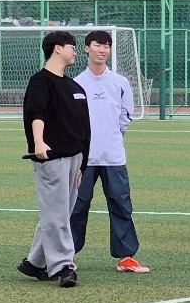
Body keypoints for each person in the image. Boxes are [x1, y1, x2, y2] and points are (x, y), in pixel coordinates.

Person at [69, 30, 149, 274]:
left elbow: (126, 116)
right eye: (97, 45)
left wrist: (114, 138)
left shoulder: (120, 82)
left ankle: (126, 257)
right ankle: (68, 254)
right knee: (77, 207)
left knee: (121, 204)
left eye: (106, 46)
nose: (102, 50)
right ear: (87, 48)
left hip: (114, 157)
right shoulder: (76, 83)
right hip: (83, 158)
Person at [17, 31, 89, 288]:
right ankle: (63, 265)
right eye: (72, 46)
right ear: (57, 48)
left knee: (59, 213)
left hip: (75, 158)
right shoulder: (40, 82)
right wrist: (39, 142)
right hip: (52, 157)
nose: (75, 51)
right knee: (56, 214)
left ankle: (34, 263)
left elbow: (84, 127)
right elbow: (35, 113)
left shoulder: (74, 87)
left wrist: (83, 163)